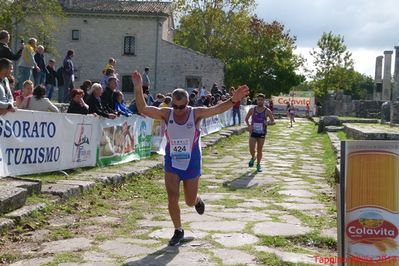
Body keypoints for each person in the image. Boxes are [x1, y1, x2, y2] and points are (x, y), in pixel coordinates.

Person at [131, 70, 249, 246]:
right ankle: (178, 230)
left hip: (192, 161)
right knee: (172, 196)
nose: (178, 111)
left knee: (188, 200)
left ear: (188, 103)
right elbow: (143, 109)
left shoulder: (196, 113)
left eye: (182, 107)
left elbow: (216, 109)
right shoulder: (167, 114)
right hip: (172, 160)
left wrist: (233, 99)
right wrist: (138, 87)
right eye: (175, 107)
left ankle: (197, 200)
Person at [245, 93, 275, 172]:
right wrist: (249, 126)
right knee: (251, 148)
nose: (260, 101)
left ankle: (258, 165)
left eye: (262, 100)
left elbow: (273, 121)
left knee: (259, 150)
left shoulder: (267, 111)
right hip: (253, 132)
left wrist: (267, 123)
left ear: (264, 101)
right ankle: (253, 157)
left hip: (262, 133)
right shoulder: (252, 109)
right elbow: (246, 119)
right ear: (256, 100)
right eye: (259, 100)